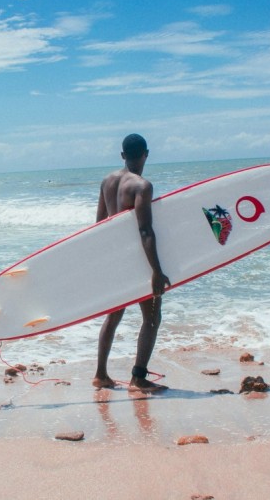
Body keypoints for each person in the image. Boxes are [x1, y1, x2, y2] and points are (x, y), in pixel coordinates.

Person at [92, 133, 171, 393]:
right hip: (137, 261)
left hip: (116, 260)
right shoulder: (142, 186)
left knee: (113, 316)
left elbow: (100, 226)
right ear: (146, 153)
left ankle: (101, 375)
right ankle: (138, 378)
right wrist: (156, 271)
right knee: (152, 317)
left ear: (122, 155)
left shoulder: (107, 181)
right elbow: (145, 231)